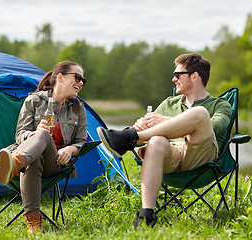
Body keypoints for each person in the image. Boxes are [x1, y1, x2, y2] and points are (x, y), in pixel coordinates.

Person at [97, 53, 232, 229]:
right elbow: (147, 139)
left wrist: (163, 121)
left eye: (178, 75)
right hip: (170, 157)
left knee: (200, 114)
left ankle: (128, 136)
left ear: (194, 76)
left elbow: (214, 127)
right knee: (156, 141)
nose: (173, 79)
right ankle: (147, 215)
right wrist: (141, 128)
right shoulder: (169, 103)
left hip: (201, 158)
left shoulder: (220, 105)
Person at [0, 61, 87, 234]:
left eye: (83, 80)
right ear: (59, 77)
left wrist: (69, 150)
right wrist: (31, 134)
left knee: (44, 134)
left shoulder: (78, 109)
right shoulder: (34, 101)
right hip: (33, 158)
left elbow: (81, 142)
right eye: (77, 77)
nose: (81, 82)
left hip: (54, 163)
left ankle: (15, 162)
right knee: (38, 147)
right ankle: (34, 223)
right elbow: (20, 133)